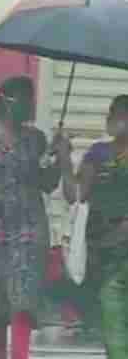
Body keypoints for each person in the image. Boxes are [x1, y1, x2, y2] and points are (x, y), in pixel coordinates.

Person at [0, 76, 63, 359]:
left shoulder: (36, 140)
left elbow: (47, 183)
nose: (30, 105)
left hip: (29, 231)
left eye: (31, 99)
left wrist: (55, 158)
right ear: (7, 101)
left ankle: (20, 355)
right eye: (25, 99)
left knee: (24, 298)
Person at [59, 94, 128, 358]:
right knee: (113, 329)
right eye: (110, 113)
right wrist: (65, 158)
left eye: (118, 113)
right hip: (105, 255)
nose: (110, 118)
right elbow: (75, 194)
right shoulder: (99, 154)